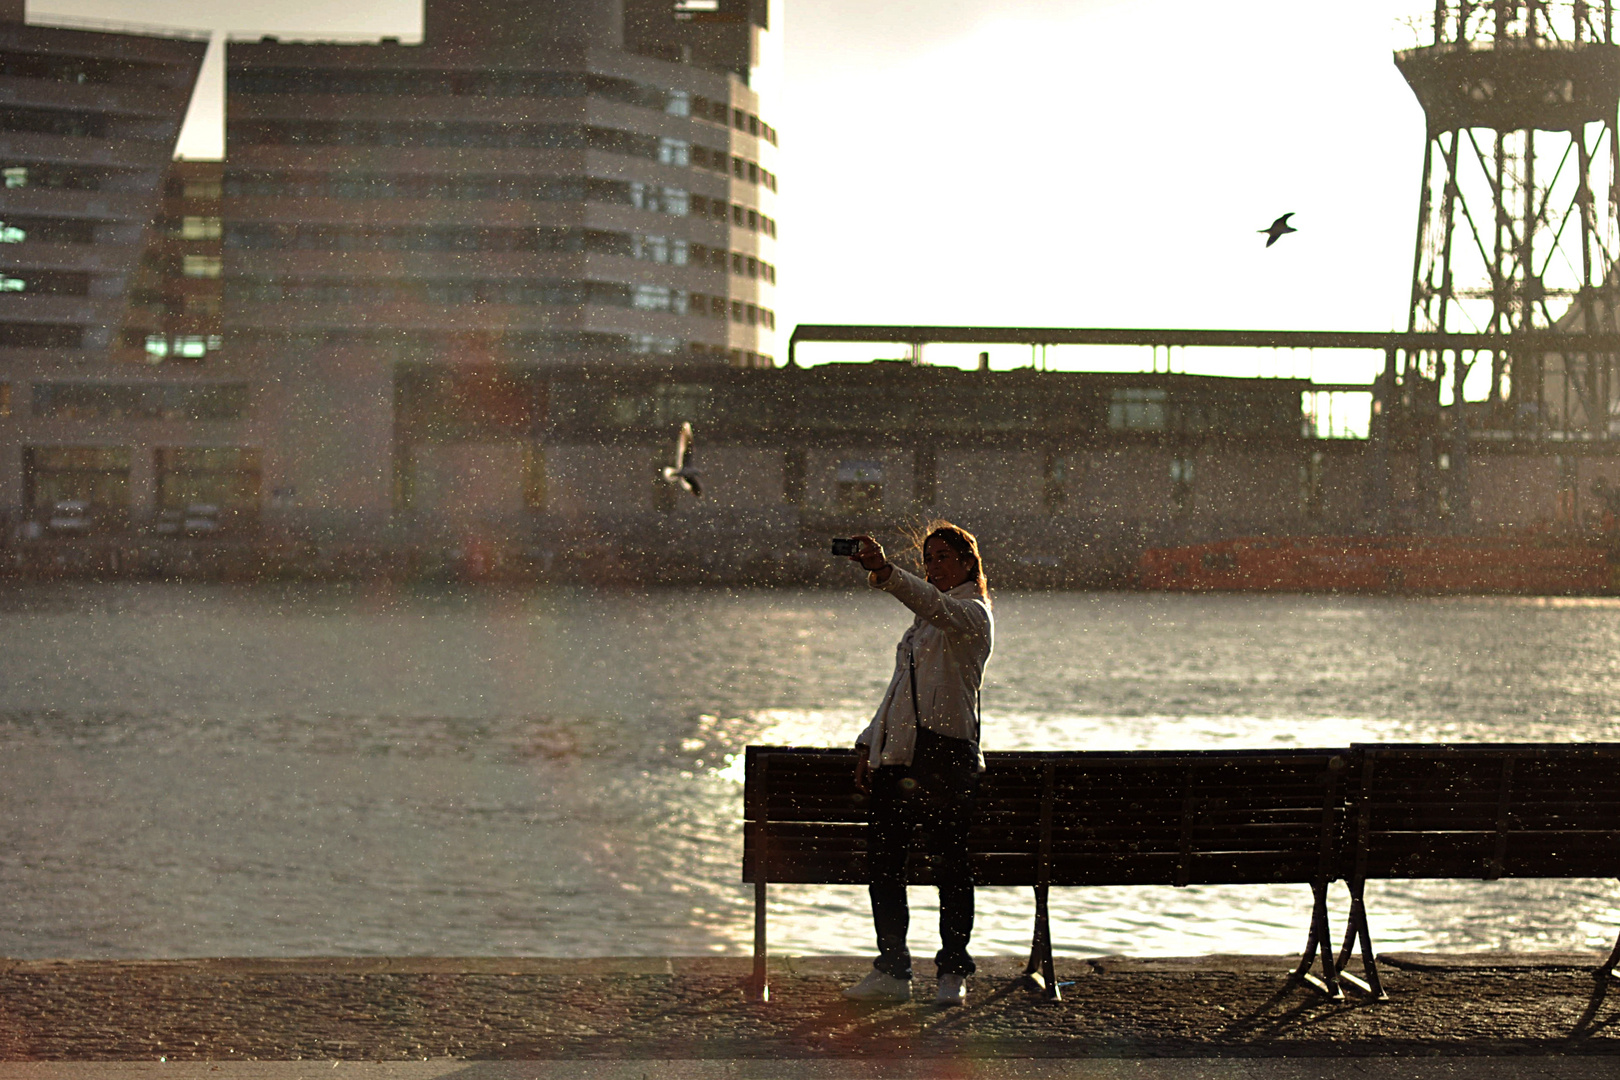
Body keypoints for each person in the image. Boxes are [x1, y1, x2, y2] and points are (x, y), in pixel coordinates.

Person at [840, 523, 993, 1007]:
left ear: (969, 564)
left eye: (944, 557)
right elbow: (899, 693)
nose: (934, 566)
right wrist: (869, 741)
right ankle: (893, 967)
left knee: (951, 866)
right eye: (928, 558)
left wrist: (886, 572)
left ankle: (952, 970)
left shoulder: (972, 615)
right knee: (885, 864)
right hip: (901, 756)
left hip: (946, 755)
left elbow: (935, 604)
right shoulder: (923, 622)